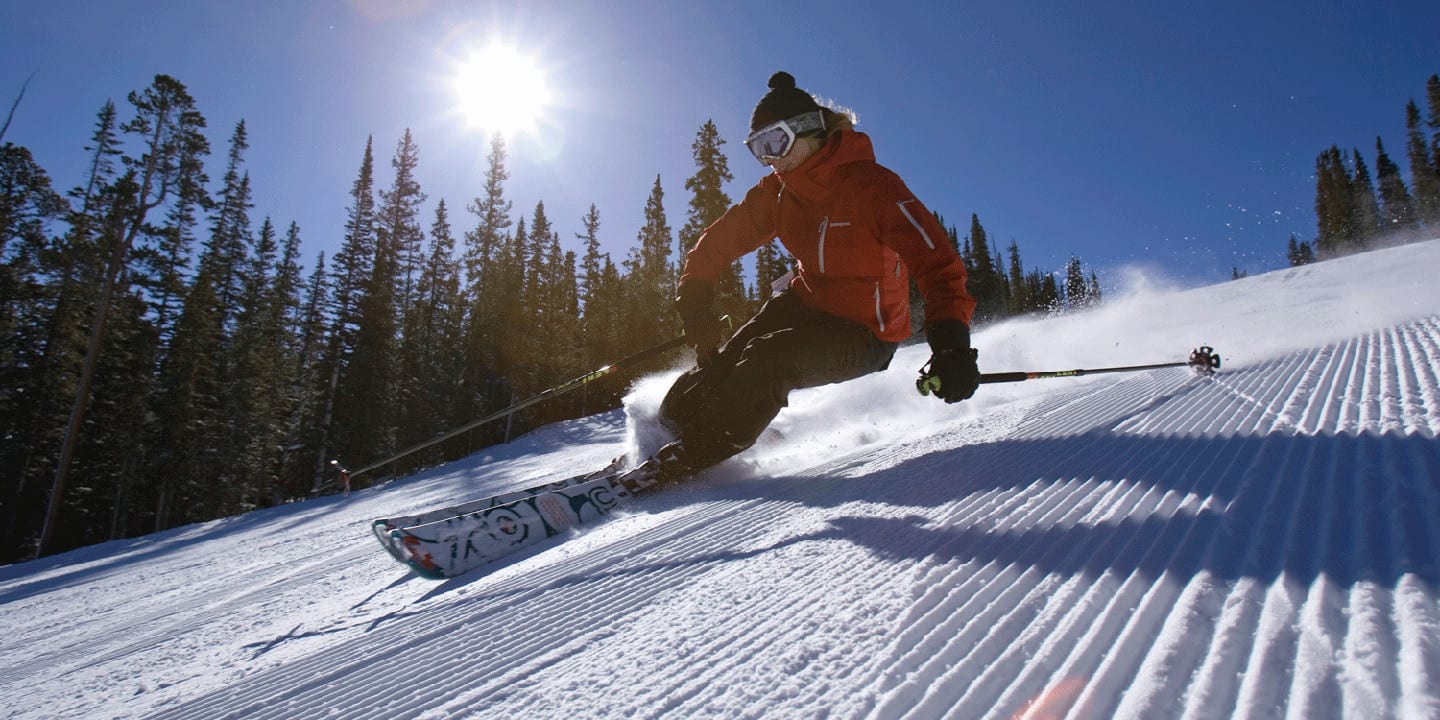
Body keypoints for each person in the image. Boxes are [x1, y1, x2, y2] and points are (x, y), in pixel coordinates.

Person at [649, 71, 981, 479]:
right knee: (724, 360)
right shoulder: (778, 193)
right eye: (759, 149)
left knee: (769, 361)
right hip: (808, 301)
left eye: (775, 143)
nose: (771, 159)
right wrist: (695, 292)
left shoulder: (873, 187)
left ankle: (700, 450)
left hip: (865, 332)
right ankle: (661, 433)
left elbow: (938, 263)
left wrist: (951, 345)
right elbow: (719, 240)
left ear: (808, 129)